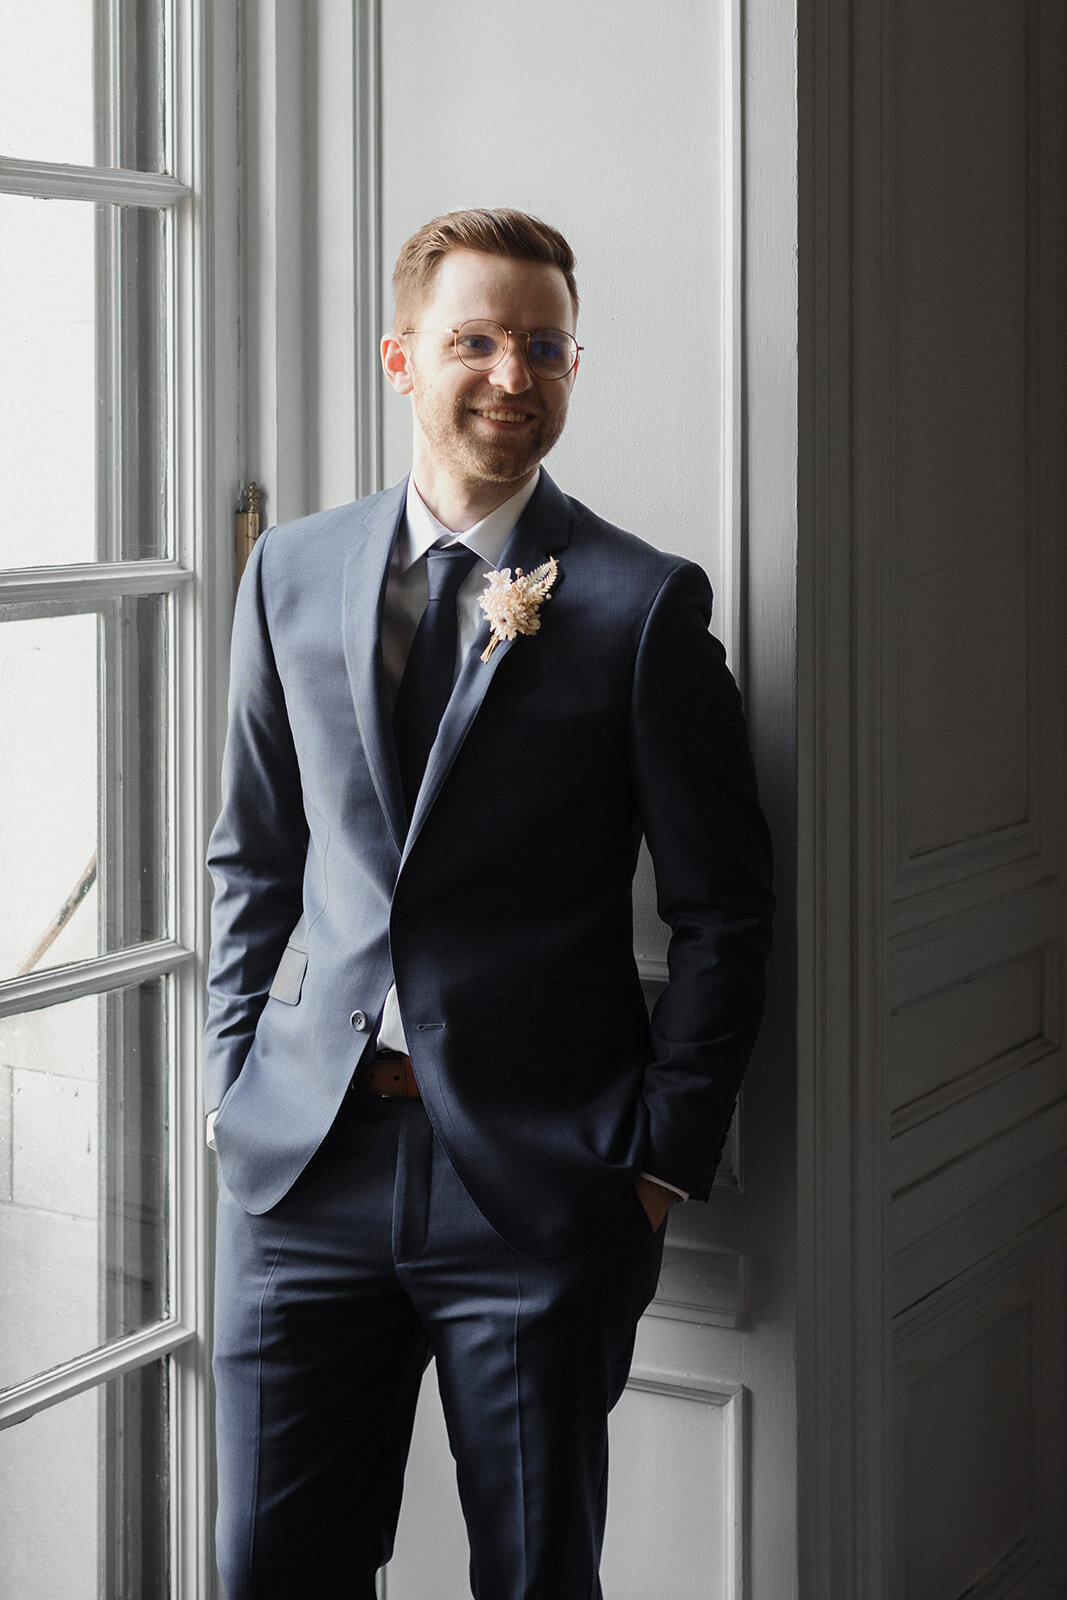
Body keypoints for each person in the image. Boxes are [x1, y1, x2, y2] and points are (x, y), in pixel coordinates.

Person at [205, 207, 774, 1600]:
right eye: (477, 340)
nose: (514, 375)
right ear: (403, 359)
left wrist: (655, 1168)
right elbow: (253, 860)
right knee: (273, 1569)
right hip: (304, 1171)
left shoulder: (644, 608)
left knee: (534, 1578)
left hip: (537, 1189)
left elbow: (726, 909)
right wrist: (234, 1079)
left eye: (546, 347)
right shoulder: (289, 573)